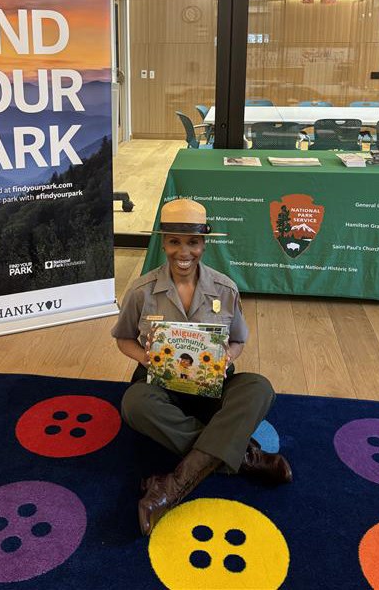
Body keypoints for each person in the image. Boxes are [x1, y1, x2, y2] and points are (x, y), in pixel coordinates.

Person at [112, 199, 292, 536]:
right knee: (134, 404)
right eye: (175, 242)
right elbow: (123, 339)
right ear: (163, 242)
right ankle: (243, 458)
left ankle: (169, 487)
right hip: (161, 388)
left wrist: (228, 358)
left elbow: (238, 340)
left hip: (212, 389)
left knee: (259, 388)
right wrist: (147, 358)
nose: (184, 252)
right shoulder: (141, 290)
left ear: (203, 244)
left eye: (193, 242)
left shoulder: (224, 289)